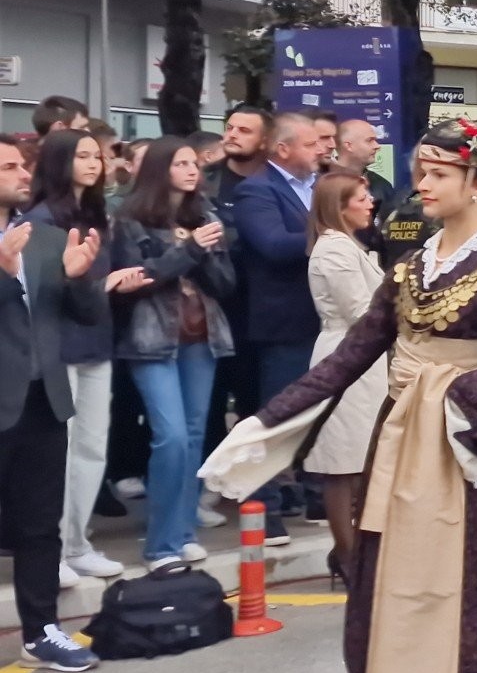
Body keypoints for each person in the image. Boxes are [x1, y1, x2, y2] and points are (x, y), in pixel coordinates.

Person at [201, 118, 477, 673]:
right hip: (397, 445)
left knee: (456, 593)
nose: (422, 184)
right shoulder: (407, 269)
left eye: (438, 173)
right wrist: (263, 422)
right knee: (385, 590)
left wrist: (465, 397)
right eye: (421, 171)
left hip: (460, 452)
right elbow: (344, 360)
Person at [0, 134, 110, 671]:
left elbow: (84, 316)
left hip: (44, 399)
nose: (24, 174)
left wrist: (79, 277)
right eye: (9, 166)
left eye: (22, 165)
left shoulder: (42, 237)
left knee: (40, 523)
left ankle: (42, 629)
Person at [26, 129, 148, 584]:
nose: (94, 163)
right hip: (57, 349)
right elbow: (41, 289)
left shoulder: (98, 214)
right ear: (60, 162)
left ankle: (77, 543)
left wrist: (120, 283)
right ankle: (51, 549)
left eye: (97, 155)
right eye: (82, 156)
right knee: (61, 450)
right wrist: (102, 285)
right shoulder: (38, 218)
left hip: (98, 342)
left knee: (93, 447)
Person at [110, 142, 235, 571]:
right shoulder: (129, 221)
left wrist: (201, 251)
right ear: (160, 171)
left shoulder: (207, 217)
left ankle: (183, 532)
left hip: (202, 336)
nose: (191, 170)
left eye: (193, 164)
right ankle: (161, 545)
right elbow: (141, 278)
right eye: (180, 163)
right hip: (150, 339)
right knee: (171, 436)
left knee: (196, 435)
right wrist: (190, 250)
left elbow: (225, 285)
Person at [231, 112, 327, 545]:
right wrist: (331, 235)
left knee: (321, 412)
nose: (320, 150)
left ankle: (315, 492)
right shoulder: (256, 190)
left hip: (322, 318)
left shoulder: (319, 187)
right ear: (283, 149)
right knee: (275, 415)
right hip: (282, 321)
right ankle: (262, 505)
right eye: (310, 145)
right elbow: (271, 244)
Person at [298, 172, 391, 576]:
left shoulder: (352, 246)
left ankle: (357, 547)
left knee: (364, 457)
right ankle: (347, 553)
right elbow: (358, 310)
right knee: (343, 461)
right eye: (362, 197)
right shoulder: (333, 249)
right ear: (340, 206)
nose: (370, 203)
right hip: (345, 354)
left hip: (367, 358)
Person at [333, 119, 396, 216]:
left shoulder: (382, 186)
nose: (377, 146)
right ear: (349, 146)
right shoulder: (319, 183)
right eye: (369, 140)